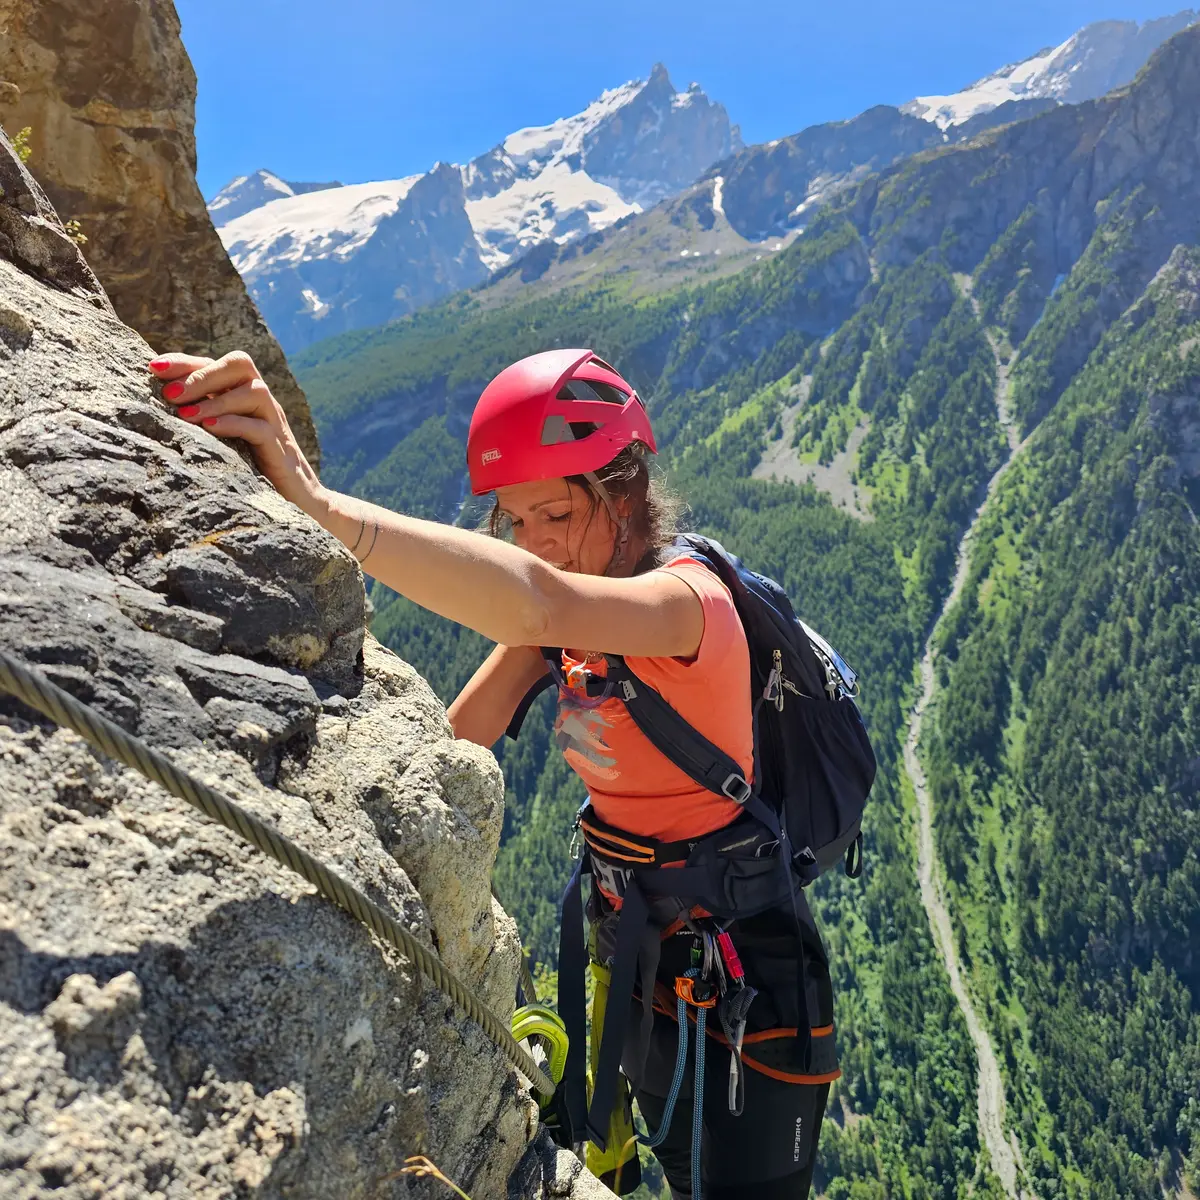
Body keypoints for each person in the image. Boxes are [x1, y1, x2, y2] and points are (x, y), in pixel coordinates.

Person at [150, 346, 839, 1199]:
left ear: (623, 489)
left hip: (748, 991)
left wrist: (318, 506)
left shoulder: (686, 605)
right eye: (517, 522)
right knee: (613, 1169)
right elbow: (449, 747)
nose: (537, 542)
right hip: (636, 954)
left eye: (555, 511)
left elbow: (533, 597)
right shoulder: (568, 623)